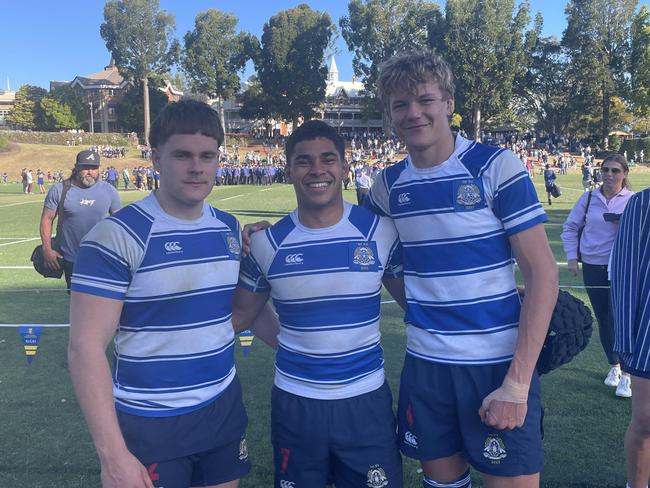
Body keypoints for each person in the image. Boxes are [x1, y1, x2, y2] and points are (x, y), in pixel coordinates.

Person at [363, 51, 558, 488]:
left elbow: (543, 273)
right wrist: (261, 234)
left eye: (424, 100)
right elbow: (361, 246)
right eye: (400, 105)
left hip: (495, 365)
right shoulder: (387, 185)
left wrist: (518, 384)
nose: (413, 113)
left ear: (449, 103)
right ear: (389, 114)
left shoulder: (494, 166)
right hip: (426, 366)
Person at [67, 100, 251, 488]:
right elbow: (84, 348)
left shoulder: (230, 229)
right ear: (156, 158)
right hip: (150, 422)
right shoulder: (116, 236)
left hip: (222, 408)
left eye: (207, 156)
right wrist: (113, 456)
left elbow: (230, 313)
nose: (197, 167)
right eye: (182, 155)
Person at [233, 120, 405, 488]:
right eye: (303, 161)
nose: (317, 170)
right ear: (290, 170)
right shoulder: (267, 244)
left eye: (328, 159)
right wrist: (295, 346)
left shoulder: (382, 232)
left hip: (365, 401)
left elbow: (417, 302)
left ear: (345, 168)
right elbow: (242, 315)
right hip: (297, 404)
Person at [561, 154, 634, 397]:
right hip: (593, 265)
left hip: (624, 266)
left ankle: (627, 374)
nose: (609, 175)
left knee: (624, 319)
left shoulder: (633, 200)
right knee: (605, 318)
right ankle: (614, 366)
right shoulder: (589, 197)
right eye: (605, 170)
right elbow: (571, 227)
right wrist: (572, 257)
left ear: (624, 174)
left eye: (615, 170)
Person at [611, 188, 650, 488]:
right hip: (648, 335)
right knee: (646, 422)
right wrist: (625, 340)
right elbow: (625, 274)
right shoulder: (642, 203)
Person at [39, 150, 121, 290]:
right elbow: (46, 219)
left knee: (105, 304)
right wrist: (47, 249)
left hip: (103, 259)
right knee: (78, 306)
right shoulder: (60, 190)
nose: (90, 172)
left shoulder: (109, 190)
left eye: (94, 168)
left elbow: (120, 223)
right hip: (72, 260)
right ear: (76, 167)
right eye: (85, 168)